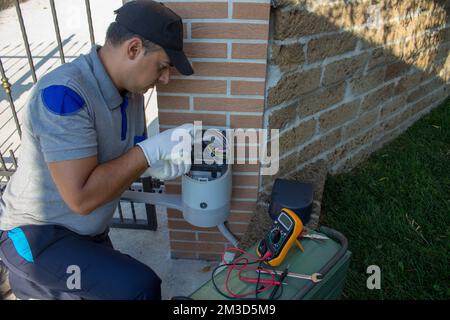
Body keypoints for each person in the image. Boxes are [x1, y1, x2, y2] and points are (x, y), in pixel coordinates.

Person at [0, 0, 194, 300]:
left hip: (85, 233)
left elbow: (125, 157)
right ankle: (33, 287)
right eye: (163, 66)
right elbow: (82, 198)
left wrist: (149, 162)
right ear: (133, 49)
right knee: (139, 287)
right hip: (37, 236)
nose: (166, 78)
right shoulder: (64, 94)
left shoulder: (132, 93)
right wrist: (146, 154)